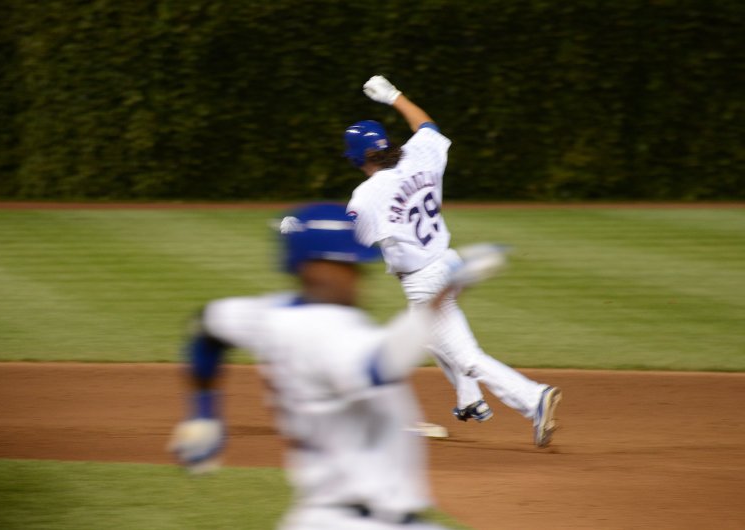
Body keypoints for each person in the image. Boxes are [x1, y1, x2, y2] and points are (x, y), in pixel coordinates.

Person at [167, 202, 507, 529]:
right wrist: (452, 283)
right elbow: (382, 364)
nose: (359, 277)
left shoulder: (269, 314)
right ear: (313, 267)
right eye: (349, 266)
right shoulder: (326, 331)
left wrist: (204, 414)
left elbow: (206, 327)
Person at [343, 75, 561, 447]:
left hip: (425, 281)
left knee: (468, 356)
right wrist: (394, 95)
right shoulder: (418, 154)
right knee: (422, 333)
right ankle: (470, 400)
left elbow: (351, 244)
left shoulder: (366, 194)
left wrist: (297, 228)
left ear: (355, 158)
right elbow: (427, 125)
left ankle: (533, 398)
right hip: (448, 263)